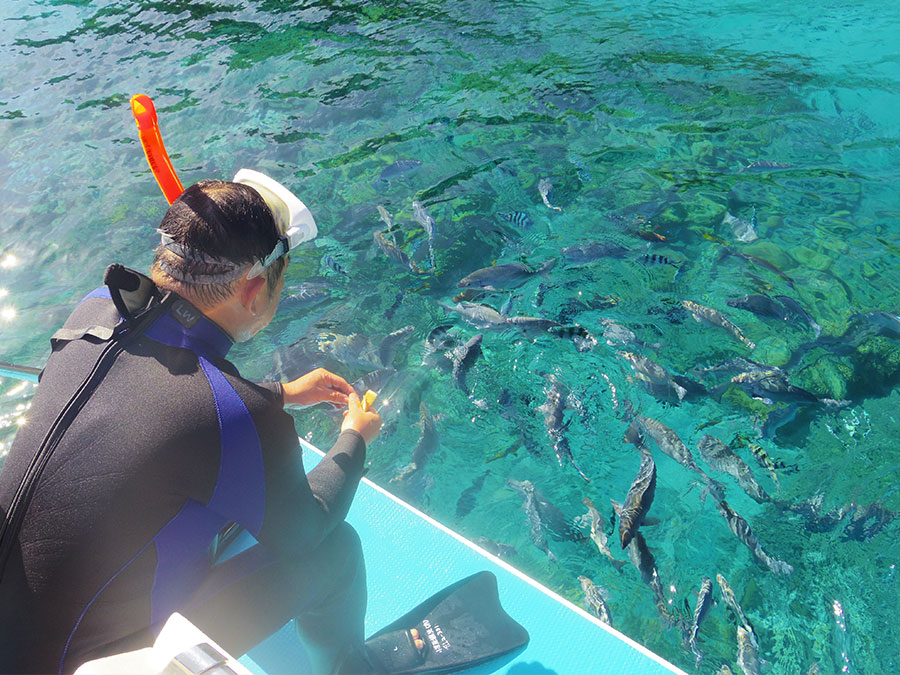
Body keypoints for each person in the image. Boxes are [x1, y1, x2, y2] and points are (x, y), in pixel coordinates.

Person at [0, 176, 386, 674]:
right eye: (281, 282)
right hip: (81, 664)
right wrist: (354, 436)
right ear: (252, 290)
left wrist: (281, 393)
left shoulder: (94, 309)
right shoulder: (237, 417)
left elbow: (147, 402)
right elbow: (307, 528)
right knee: (336, 552)